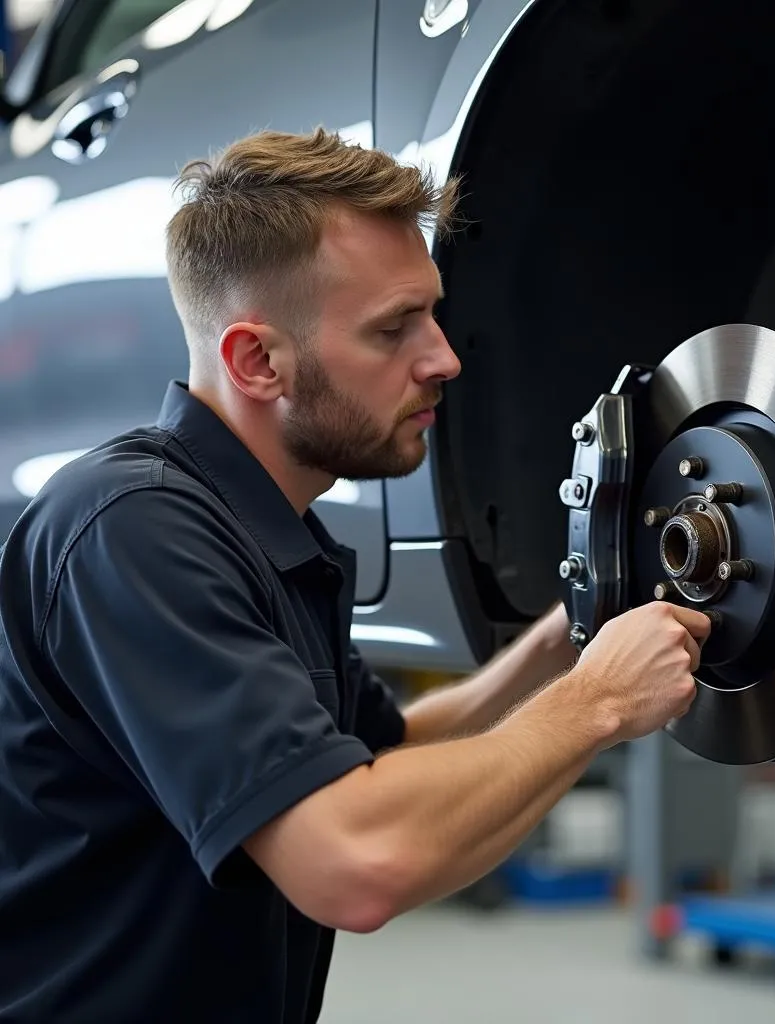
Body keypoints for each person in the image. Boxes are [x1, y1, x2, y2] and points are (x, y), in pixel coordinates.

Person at [0, 127, 711, 1023]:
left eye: (433, 312)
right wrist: (599, 703)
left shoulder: (264, 530)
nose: (444, 358)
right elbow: (354, 863)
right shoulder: (130, 527)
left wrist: (566, 647)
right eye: (392, 329)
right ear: (258, 361)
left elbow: (387, 756)